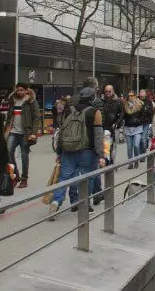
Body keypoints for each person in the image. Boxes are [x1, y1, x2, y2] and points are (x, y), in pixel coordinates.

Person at [48, 87, 105, 217]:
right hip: (87, 151)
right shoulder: (95, 112)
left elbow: (63, 132)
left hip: (68, 150)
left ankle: (56, 200)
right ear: (92, 98)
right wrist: (100, 154)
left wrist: (59, 152)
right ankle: (84, 204)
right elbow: (98, 135)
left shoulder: (70, 110)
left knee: (63, 178)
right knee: (87, 179)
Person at [6, 82, 40, 188]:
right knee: (8, 153)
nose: (19, 92)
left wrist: (34, 133)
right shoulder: (13, 100)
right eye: (17, 90)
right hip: (13, 132)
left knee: (24, 156)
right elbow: (9, 115)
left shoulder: (31, 101)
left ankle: (24, 179)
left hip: (26, 133)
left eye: (21, 90)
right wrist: (6, 129)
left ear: (26, 90)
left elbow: (36, 118)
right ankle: (15, 175)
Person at [123, 91, 144, 169]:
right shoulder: (125, 105)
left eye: (132, 95)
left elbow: (143, 116)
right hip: (128, 128)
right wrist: (117, 123)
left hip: (137, 128)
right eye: (129, 96)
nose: (130, 97)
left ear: (135, 96)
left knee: (136, 145)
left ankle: (136, 160)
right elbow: (123, 115)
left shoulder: (140, 104)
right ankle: (130, 163)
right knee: (129, 148)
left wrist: (138, 121)